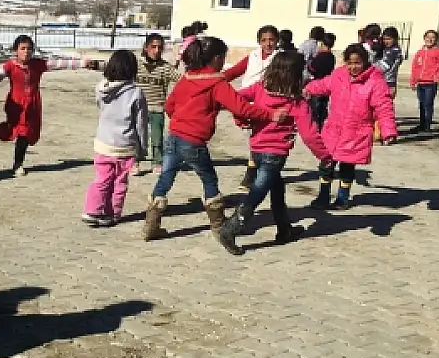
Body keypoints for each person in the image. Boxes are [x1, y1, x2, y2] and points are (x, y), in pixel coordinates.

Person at [142, 36, 287, 243]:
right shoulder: (217, 83)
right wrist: (270, 115)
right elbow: (240, 106)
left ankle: (151, 224)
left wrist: (182, 120)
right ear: (217, 58)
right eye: (223, 58)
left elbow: (169, 106)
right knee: (209, 180)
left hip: (174, 136)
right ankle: (219, 226)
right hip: (194, 140)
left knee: (165, 178)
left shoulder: (188, 77)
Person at [219, 52, 333, 254]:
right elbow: (310, 135)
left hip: (257, 149)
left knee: (277, 189)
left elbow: (236, 99)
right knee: (257, 192)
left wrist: (241, 117)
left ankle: (284, 229)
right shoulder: (297, 103)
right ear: (297, 75)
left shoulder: (260, 89)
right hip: (275, 154)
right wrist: (325, 156)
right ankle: (232, 227)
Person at [0, 35, 97, 176]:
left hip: (33, 105)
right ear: (15, 50)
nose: (26, 52)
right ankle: (18, 164)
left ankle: (17, 156)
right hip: (16, 105)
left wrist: (82, 63)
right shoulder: (10, 66)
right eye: (22, 48)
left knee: (28, 134)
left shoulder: (37, 65)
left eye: (29, 49)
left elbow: (59, 64)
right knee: (21, 133)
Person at [304, 44, 398, 210]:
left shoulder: (375, 81)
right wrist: (307, 89)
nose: (354, 67)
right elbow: (323, 85)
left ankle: (342, 198)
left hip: (356, 132)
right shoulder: (339, 75)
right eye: (350, 63)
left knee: (347, 166)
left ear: (365, 62)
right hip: (334, 129)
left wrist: (388, 130)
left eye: (358, 63)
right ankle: (323, 195)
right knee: (326, 164)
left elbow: (384, 106)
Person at [82, 50, 148, 227]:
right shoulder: (136, 92)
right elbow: (141, 123)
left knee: (102, 179)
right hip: (125, 146)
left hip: (103, 143)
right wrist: (142, 147)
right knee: (119, 182)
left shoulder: (101, 88)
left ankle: (92, 210)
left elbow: (100, 106)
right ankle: (112, 213)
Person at [222, 25, 282, 193]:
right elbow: (233, 72)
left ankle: (252, 174)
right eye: (264, 40)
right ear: (259, 42)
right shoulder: (252, 57)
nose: (268, 44)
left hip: (268, 102)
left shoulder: (280, 59)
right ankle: (259, 172)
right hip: (247, 103)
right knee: (254, 137)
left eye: (271, 40)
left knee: (261, 138)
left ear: (277, 41)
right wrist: (214, 78)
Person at [134, 33, 181, 175]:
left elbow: (183, 80)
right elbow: (116, 67)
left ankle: (157, 162)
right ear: (146, 47)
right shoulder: (135, 64)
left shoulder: (165, 68)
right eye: (153, 47)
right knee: (136, 136)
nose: (156, 50)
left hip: (157, 108)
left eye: (159, 47)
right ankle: (135, 161)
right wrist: (93, 64)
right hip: (137, 108)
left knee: (157, 137)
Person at [409, 30, 439, 133]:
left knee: (428, 104)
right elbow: (415, 67)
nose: (430, 39)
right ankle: (422, 125)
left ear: (436, 40)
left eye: (433, 37)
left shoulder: (438, 52)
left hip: (430, 83)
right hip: (420, 83)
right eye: (428, 37)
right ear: (424, 38)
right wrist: (413, 81)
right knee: (421, 104)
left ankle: (427, 126)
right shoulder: (420, 52)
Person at [307, 33, 337, 131]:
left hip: (317, 83)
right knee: (323, 107)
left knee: (315, 109)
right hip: (327, 84)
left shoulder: (320, 56)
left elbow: (312, 68)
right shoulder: (332, 57)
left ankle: (316, 128)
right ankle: (322, 127)